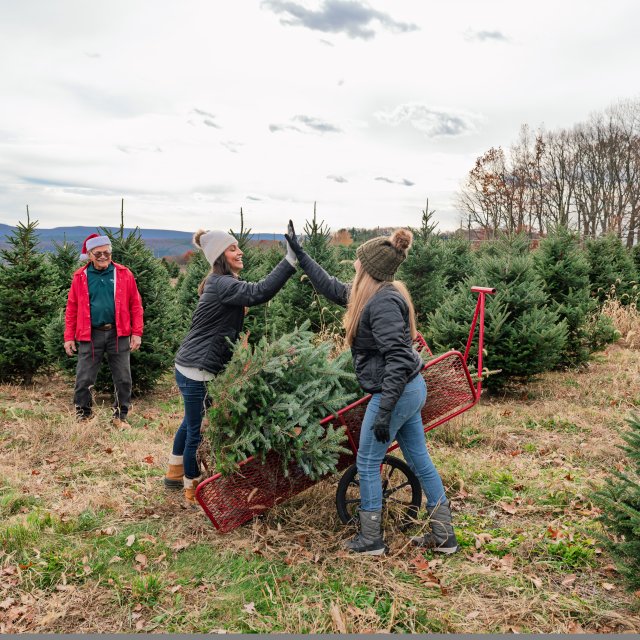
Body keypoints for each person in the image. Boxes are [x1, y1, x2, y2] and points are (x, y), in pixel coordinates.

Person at [285, 221, 457, 556]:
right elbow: (334, 289)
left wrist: (385, 412)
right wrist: (301, 256)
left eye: (358, 261)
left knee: (367, 460)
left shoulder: (382, 305)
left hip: (398, 391)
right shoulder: (372, 294)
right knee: (419, 459)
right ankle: (443, 536)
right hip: (406, 390)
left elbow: (398, 360)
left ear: (370, 268)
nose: (354, 264)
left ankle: (370, 539)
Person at [165, 229, 297, 507]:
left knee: (190, 422)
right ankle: (192, 490)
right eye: (233, 248)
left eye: (238, 247)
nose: (240, 252)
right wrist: (289, 261)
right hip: (196, 368)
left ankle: (173, 473)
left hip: (192, 364)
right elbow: (259, 292)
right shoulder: (222, 283)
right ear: (220, 257)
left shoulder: (221, 282)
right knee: (196, 430)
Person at [64, 233, 144, 427]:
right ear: (90, 254)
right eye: (98, 253)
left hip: (118, 333)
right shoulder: (80, 276)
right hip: (90, 334)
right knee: (84, 378)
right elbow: (72, 307)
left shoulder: (124, 273)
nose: (103, 256)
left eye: (106, 252)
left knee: (123, 378)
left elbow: (136, 304)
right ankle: (84, 416)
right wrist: (69, 337)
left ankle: (120, 417)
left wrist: (136, 333)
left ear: (111, 252)